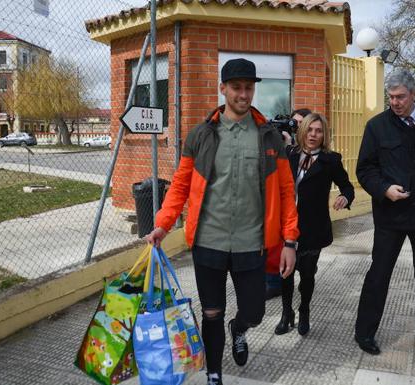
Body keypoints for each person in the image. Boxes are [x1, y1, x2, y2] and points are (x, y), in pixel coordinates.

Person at [146, 58, 299, 385]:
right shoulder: (202, 135)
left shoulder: (269, 136)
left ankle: (239, 328)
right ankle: (214, 373)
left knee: (255, 311)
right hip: (208, 242)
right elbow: (181, 184)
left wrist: (289, 241)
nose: (244, 94)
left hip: (252, 242)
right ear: (223, 89)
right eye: (237, 88)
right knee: (211, 312)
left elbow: (286, 191)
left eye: (249, 88)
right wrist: (163, 222)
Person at [354, 68, 415, 356]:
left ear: (414, 94)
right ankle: (365, 332)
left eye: (400, 97)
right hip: (391, 215)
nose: (395, 102)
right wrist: (384, 189)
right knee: (379, 274)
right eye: (391, 97)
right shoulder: (377, 126)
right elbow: (365, 169)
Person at [273, 112, 355, 336]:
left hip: (313, 227)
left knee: (307, 276)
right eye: (309, 129)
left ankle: (304, 310)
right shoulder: (289, 154)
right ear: (302, 131)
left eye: (318, 131)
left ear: (324, 134)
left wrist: (345, 198)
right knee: (285, 273)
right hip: (286, 226)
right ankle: (286, 313)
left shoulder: (331, 160)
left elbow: (347, 186)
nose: (313, 134)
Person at [266, 108, 313, 300]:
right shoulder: (283, 146)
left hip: (304, 209)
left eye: (301, 123)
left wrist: (290, 147)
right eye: (294, 123)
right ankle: (275, 281)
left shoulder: (311, 147)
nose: (297, 127)